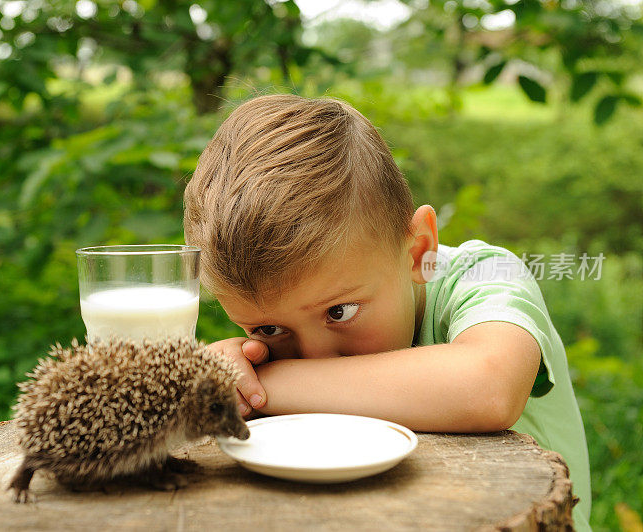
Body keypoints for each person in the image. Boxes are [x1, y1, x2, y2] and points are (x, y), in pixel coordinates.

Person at [182, 93, 591, 530]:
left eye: (339, 312)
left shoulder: (483, 274)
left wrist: (263, 384)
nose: (314, 357)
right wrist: (235, 372)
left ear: (418, 250)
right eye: (268, 328)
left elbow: (489, 386)